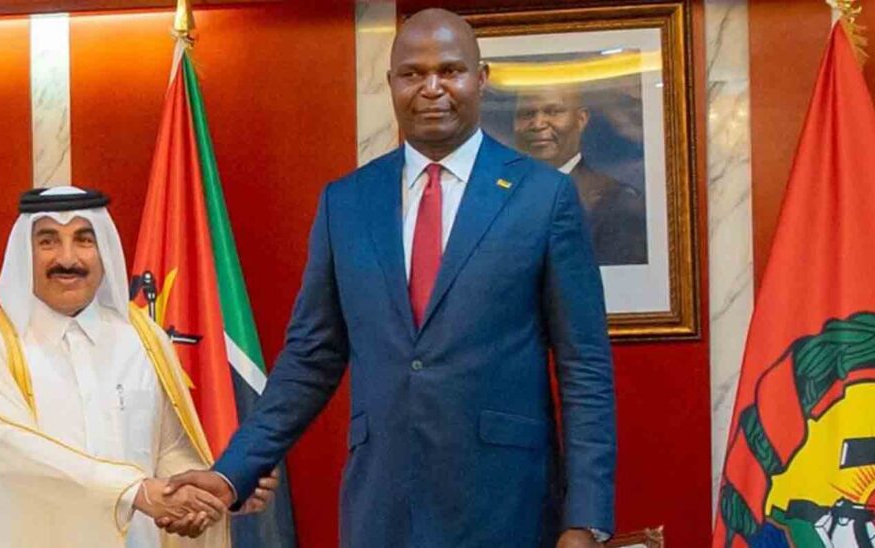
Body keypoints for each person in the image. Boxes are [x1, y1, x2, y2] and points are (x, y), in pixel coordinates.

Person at [164, 8, 616, 548]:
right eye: (412, 74)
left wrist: (584, 520)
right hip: (381, 505)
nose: (432, 88)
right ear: (391, 83)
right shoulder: (346, 202)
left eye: (450, 71)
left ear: (481, 79)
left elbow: (584, 367)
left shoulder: (543, 196)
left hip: (506, 505)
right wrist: (230, 473)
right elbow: (310, 357)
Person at [0, 186, 275, 548]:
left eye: (84, 240)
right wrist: (134, 491)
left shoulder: (143, 338)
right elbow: (17, 455)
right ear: (25, 253)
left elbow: (168, 451)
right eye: (48, 242)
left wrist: (219, 491)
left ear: (104, 250)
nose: (67, 259)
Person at [513, 84, 648, 265]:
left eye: (553, 112)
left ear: (581, 119)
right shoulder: (496, 197)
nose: (537, 124)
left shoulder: (618, 203)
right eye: (527, 114)